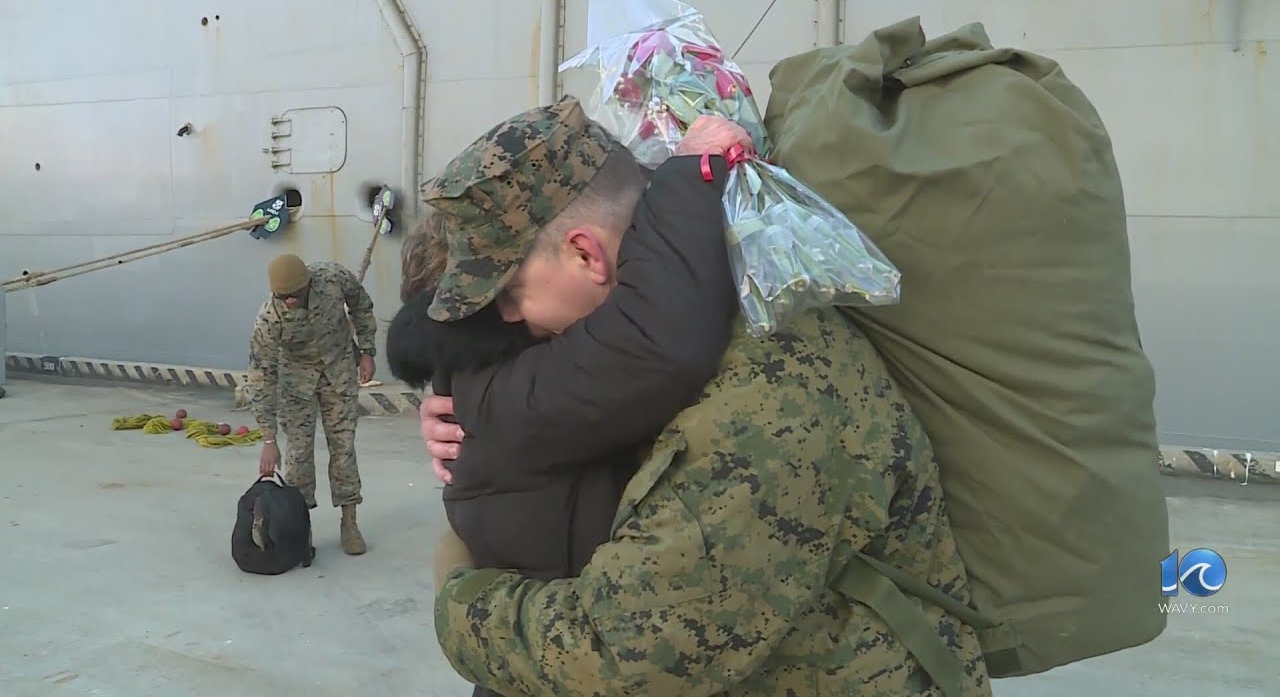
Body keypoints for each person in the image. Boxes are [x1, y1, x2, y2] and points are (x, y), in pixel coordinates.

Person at [419, 96, 992, 696]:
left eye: (507, 293)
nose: (505, 319)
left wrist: (462, 595)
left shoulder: (764, 393)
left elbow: (622, 656)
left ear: (587, 254)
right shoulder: (674, 314)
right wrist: (472, 420)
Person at [387, 142, 736, 592]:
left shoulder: (503, 373)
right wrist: (689, 172)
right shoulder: (511, 396)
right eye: (504, 298)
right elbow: (658, 338)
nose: (513, 314)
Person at [246, 254, 377, 557]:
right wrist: (268, 438)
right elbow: (260, 376)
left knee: (343, 450)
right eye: (283, 297)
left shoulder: (332, 279)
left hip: (338, 371)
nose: (289, 301)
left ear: (308, 284)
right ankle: (300, 528)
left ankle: (349, 522)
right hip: (297, 384)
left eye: (295, 295)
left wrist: (367, 351)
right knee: (298, 458)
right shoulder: (269, 319)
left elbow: (360, 304)